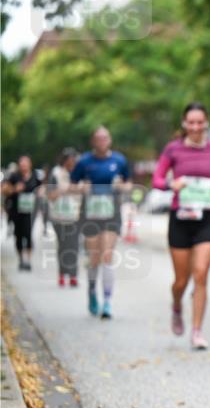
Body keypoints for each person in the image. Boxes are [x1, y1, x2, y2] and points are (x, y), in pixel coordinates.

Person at [153, 102, 210, 350]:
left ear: (207, 122)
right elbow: (157, 178)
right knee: (181, 280)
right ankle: (177, 305)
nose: (196, 127)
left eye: (200, 122)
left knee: (200, 274)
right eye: (191, 123)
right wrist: (170, 185)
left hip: (207, 219)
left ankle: (197, 331)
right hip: (180, 219)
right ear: (184, 124)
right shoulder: (173, 150)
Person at [71, 126, 132, 319]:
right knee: (94, 257)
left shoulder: (119, 160)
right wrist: (82, 188)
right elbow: (72, 185)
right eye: (98, 138)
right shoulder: (84, 162)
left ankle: (107, 301)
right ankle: (91, 291)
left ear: (110, 140)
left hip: (111, 213)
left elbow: (129, 184)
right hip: (90, 214)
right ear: (93, 141)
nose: (101, 142)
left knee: (107, 255)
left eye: (105, 138)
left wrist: (121, 186)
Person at [2, 155, 43, 270]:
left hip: (30, 211)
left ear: (30, 164)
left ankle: (28, 261)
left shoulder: (35, 175)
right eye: (21, 164)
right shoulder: (14, 176)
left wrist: (40, 192)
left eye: (25, 164)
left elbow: (42, 187)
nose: (23, 166)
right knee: (18, 235)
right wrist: (15, 189)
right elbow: (4, 190)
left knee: (28, 234)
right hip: (16, 211)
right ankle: (21, 260)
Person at [47, 148, 82, 286]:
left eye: (74, 160)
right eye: (69, 160)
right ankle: (62, 274)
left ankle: (73, 275)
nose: (71, 163)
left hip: (75, 216)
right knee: (62, 246)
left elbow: (84, 189)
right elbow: (50, 195)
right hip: (58, 216)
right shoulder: (55, 173)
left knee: (73, 246)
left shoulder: (80, 173)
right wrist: (64, 190)